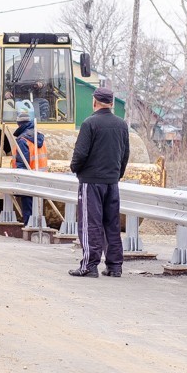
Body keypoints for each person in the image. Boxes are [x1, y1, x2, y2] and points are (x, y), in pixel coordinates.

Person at [68, 86, 131, 278]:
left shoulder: (90, 124)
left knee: (90, 223)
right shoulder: (121, 125)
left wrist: (75, 168)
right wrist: (117, 174)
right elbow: (125, 154)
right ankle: (114, 266)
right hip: (112, 182)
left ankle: (89, 265)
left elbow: (80, 153)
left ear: (94, 101)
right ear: (111, 103)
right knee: (111, 223)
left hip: (91, 181)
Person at [11, 110, 48, 225]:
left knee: (28, 207)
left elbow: (22, 163)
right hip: (41, 177)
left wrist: (18, 181)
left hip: (29, 178)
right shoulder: (38, 137)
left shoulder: (23, 140)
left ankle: (29, 226)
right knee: (37, 206)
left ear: (19, 124)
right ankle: (37, 225)